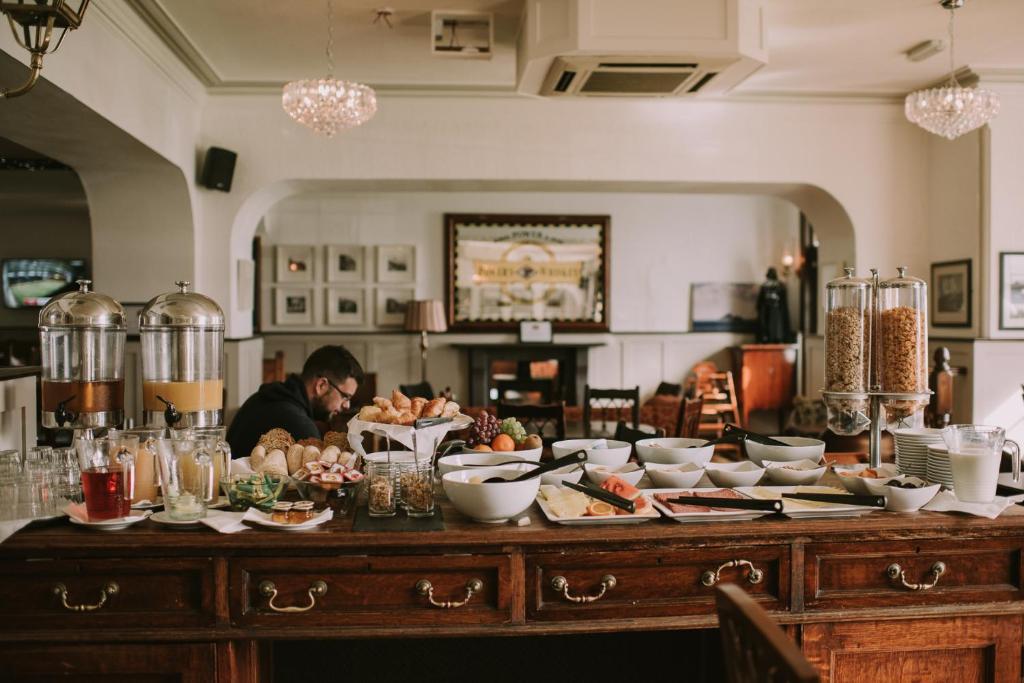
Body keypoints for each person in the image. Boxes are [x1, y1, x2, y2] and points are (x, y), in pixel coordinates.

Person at [226, 345, 364, 458]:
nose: (347, 405)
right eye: (345, 396)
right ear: (321, 385)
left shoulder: (262, 397)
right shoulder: (301, 426)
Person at [756, 267, 792, 344]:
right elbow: (760, 303)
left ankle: (769, 337)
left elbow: (783, 303)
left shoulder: (778, 286)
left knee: (775, 330)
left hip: (775, 313)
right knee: (771, 331)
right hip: (769, 313)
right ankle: (768, 337)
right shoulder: (767, 286)